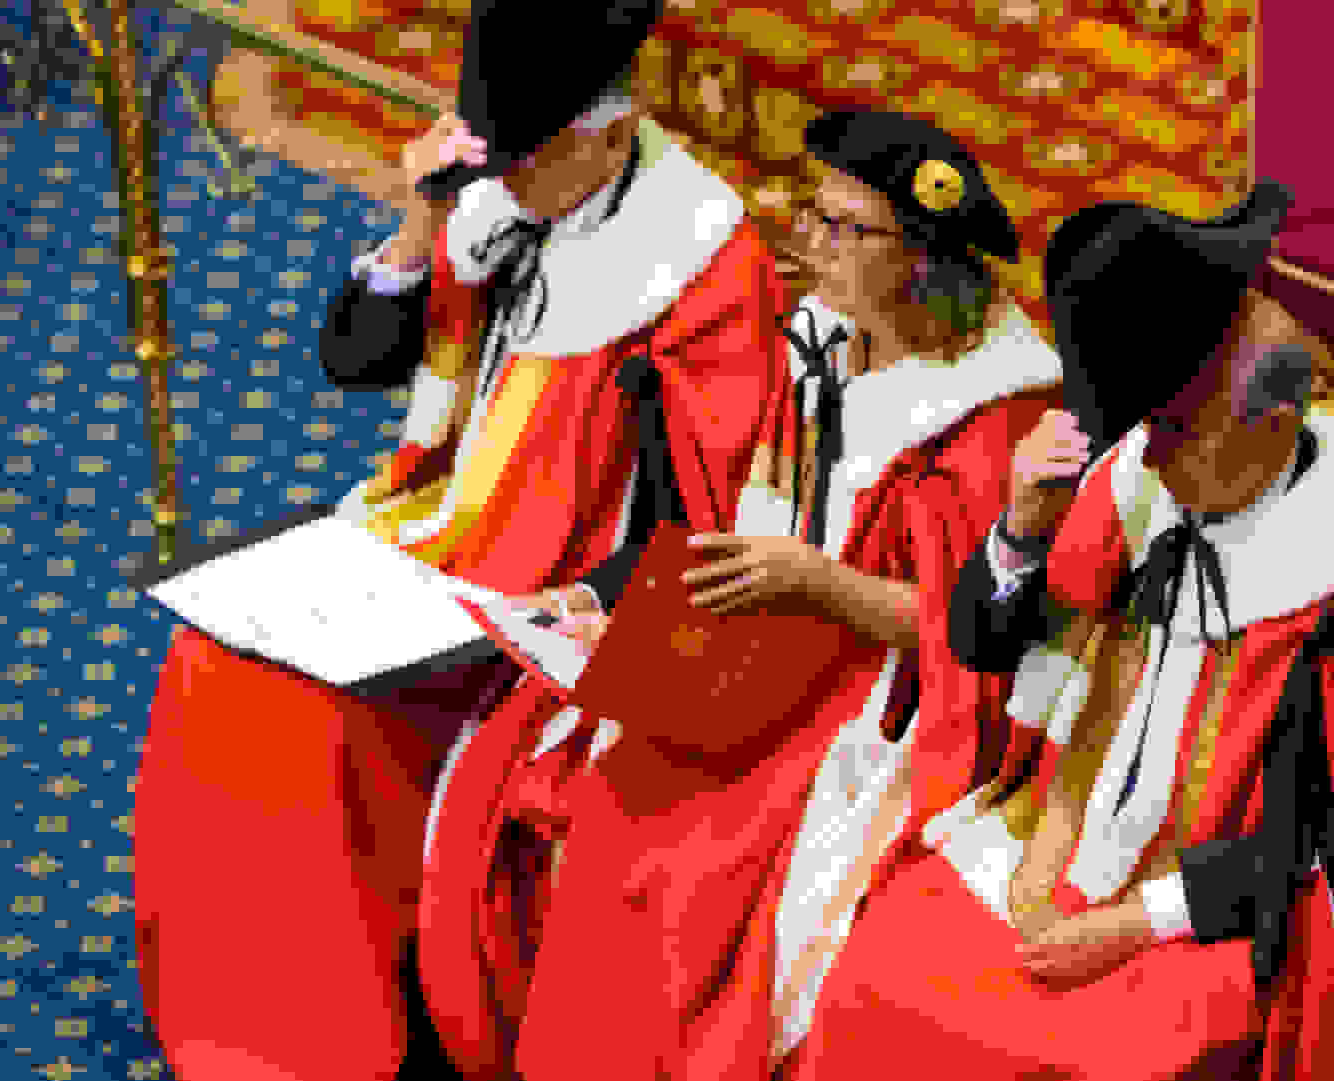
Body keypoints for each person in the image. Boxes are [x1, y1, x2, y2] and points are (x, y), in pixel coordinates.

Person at [129, 1, 794, 1078]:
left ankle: (324, 1044)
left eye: (524, 162)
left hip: (550, 613)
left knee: (314, 719)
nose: (504, 184)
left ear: (609, 135)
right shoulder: (491, 199)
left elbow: (699, 522)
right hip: (424, 550)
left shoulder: (703, 271)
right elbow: (352, 358)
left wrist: (570, 602)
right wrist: (414, 225)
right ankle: (229, 1023)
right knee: (214, 661)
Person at [766, 185, 1334, 1079]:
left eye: (1175, 430)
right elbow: (985, 650)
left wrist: (1133, 921)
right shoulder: (1134, 481)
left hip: (1223, 909)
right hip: (1055, 834)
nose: (1145, 455)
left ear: (1272, 418)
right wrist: (1020, 534)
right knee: (872, 981)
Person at [415, 108, 1064, 1081]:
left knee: (693, 868)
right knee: (573, 778)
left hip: (878, 699)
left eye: (847, 228)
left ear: (922, 260)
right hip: (756, 647)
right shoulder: (818, 339)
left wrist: (820, 585)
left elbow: (969, 634)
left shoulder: (992, 417)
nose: (811, 242)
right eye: (812, 215)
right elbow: (743, 505)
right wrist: (616, 600)